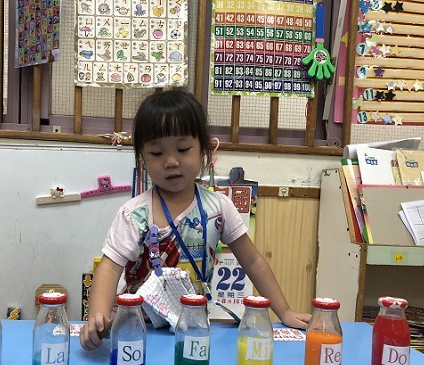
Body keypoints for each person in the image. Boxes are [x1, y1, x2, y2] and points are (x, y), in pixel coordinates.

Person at [80, 88, 310, 351]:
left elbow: (253, 261)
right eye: (156, 153)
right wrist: (97, 317)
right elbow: (110, 268)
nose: (171, 161)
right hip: (138, 329)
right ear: (142, 157)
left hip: (191, 328)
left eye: (183, 149)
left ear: (203, 150)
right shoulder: (134, 214)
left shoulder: (219, 208)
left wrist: (284, 312)